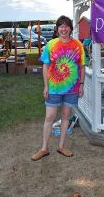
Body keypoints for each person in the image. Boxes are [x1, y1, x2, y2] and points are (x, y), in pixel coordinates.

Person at [31, 15, 85, 161]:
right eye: (61, 26)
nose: (64, 29)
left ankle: (61, 146)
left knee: (65, 117)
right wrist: (46, 86)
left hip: (72, 89)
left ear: (70, 28)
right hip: (54, 88)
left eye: (66, 26)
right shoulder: (51, 45)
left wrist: (81, 84)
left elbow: (82, 66)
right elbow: (45, 66)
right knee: (49, 117)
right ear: (57, 29)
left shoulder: (78, 45)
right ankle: (44, 148)